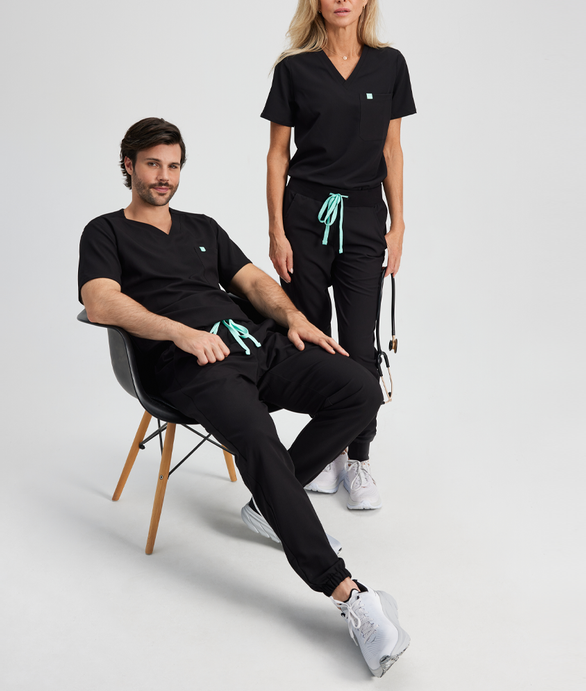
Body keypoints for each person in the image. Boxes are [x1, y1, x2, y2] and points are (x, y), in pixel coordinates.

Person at [78, 117, 410, 676]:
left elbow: (254, 281)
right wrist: (181, 333)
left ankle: (269, 504)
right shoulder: (106, 232)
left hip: (255, 345)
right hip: (189, 366)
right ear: (129, 166)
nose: (164, 176)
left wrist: (295, 319)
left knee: (359, 388)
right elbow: (100, 302)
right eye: (153, 164)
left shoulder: (201, 226)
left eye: (173, 165)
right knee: (258, 438)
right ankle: (347, 593)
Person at [261, 0, 416, 510]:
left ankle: (358, 457)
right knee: (310, 336)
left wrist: (399, 225)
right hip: (305, 216)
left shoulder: (389, 64)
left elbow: (392, 150)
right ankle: (324, 451)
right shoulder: (294, 68)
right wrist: (277, 231)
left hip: (366, 218)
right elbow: (278, 156)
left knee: (359, 342)